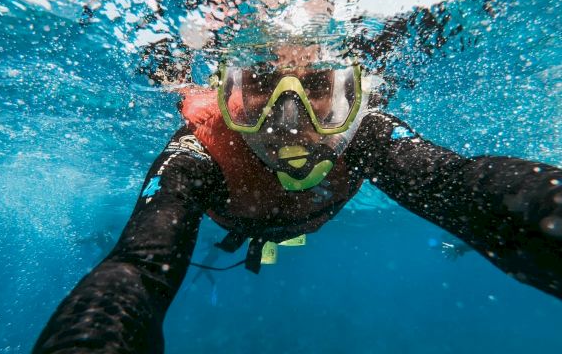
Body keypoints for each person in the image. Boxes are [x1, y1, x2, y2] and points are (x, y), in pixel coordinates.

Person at [32, 40, 562, 352]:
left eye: (318, 88)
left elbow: (462, 184)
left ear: (350, 96)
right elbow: (137, 269)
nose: (290, 123)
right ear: (228, 95)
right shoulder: (201, 151)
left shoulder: (369, 135)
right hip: (249, 218)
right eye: (261, 83)